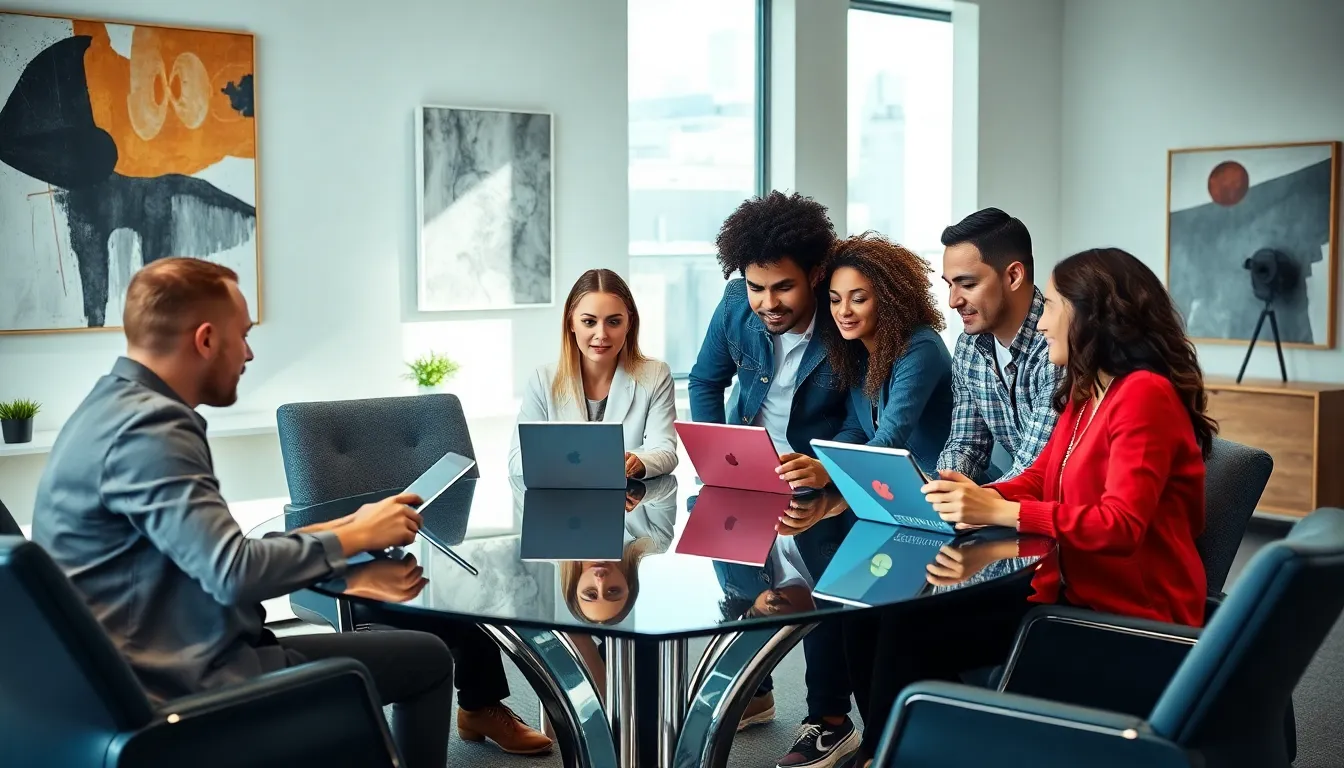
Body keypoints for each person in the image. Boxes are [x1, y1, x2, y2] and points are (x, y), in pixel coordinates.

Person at [31, 258, 454, 768]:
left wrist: (353, 528)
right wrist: (349, 539)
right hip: (182, 684)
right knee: (428, 657)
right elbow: (234, 573)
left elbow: (212, 554)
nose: (249, 353)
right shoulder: (153, 431)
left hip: (135, 665)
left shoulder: (110, 408)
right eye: (244, 335)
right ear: (206, 339)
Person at [843, 247, 1214, 767]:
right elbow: (1044, 476)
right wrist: (978, 496)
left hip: (1116, 619)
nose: (1044, 323)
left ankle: (899, 753)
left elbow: (1121, 526)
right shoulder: (1088, 391)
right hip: (1067, 592)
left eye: (1056, 307)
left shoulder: (1143, 395)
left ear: (1095, 318)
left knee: (908, 631)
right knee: (879, 614)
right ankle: (892, 751)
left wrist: (1001, 513)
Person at [689, 191, 858, 768]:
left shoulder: (844, 318)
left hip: (818, 482)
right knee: (740, 587)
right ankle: (753, 690)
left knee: (821, 595)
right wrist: (719, 450)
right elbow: (706, 380)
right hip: (746, 470)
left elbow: (867, 420)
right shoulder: (737, 300)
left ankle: (830, 721)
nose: (766, 302)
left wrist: (829, 470)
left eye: (781, 288)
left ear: (814, 275)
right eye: (756, 287)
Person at [786, 232, 953, 482]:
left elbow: (889, 439)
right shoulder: (860, 352)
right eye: (834, 299)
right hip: (901, 492)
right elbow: (855, 429)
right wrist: (819, 463)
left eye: (858, 299)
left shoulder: (921, 347)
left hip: (954, 493)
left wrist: (831, 471)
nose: (843, 311)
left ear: (888, 299)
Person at [509, 268, 678, 479]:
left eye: (614, 322)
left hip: (628, 506)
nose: (601, 335)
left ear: (629, 323)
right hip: (561, 506)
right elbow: (517, 460)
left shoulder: (655, 375)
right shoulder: (542, 380)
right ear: (571, 322)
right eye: (589, 322)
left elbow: (665, 451)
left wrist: (640, 462)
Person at [937, 208, 1064, 482]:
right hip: (1012, 505)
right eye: (950, 285)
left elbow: (1034, 471)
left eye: (967, 284)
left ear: (1013, 276)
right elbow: (966, 445)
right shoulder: (969, 347)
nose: (953, 301)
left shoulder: (1058, 347)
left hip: (1062, 509)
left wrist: (972, 502)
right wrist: (945, 484)